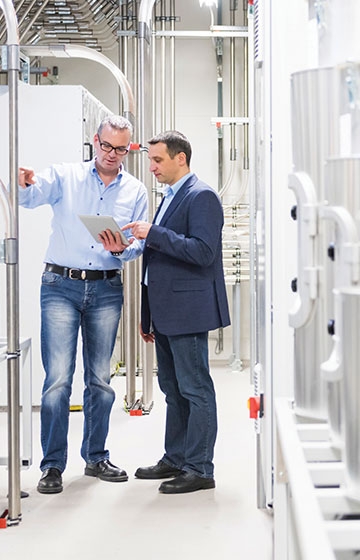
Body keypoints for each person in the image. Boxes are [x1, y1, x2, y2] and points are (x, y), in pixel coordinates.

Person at [18, 115, 149, 494]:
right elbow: (30, 197)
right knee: (58, 379)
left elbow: (139, 243)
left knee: (101, 380)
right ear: (95, 140)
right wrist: (23, 183)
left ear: (128, 150)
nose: (111, 154)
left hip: (106, 288)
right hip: (61, 285)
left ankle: (95, 456)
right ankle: (52, 465)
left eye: (120, 149)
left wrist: (122, 249)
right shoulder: (65, 176)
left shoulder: (135, 191)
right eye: (106, 146)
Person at [102, 130, 230, 494]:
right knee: (173, 389)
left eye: (158, 160)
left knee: (195, 389)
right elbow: (158, 260)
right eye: (151, 160)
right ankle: (176, 458)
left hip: (189, 311)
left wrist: (154, 233)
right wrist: (148, 315)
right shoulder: (171, 196)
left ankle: (200, 468)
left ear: (180, 159)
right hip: (167, 311)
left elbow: (203, 252)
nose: (152, 167)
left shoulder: (201, 196)